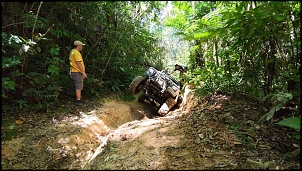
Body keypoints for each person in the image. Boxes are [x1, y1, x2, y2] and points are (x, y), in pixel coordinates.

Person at [69, 40, 87, 105]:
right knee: (78, 87)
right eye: (81, 45)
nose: (82, 47)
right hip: (77, 72)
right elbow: (78, 63)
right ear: (78, 46)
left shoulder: (72, 51)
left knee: (78, 86)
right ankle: (78, 100)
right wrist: (83, 72)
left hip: (74, 71)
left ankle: (79, 98)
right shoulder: (76, 53)